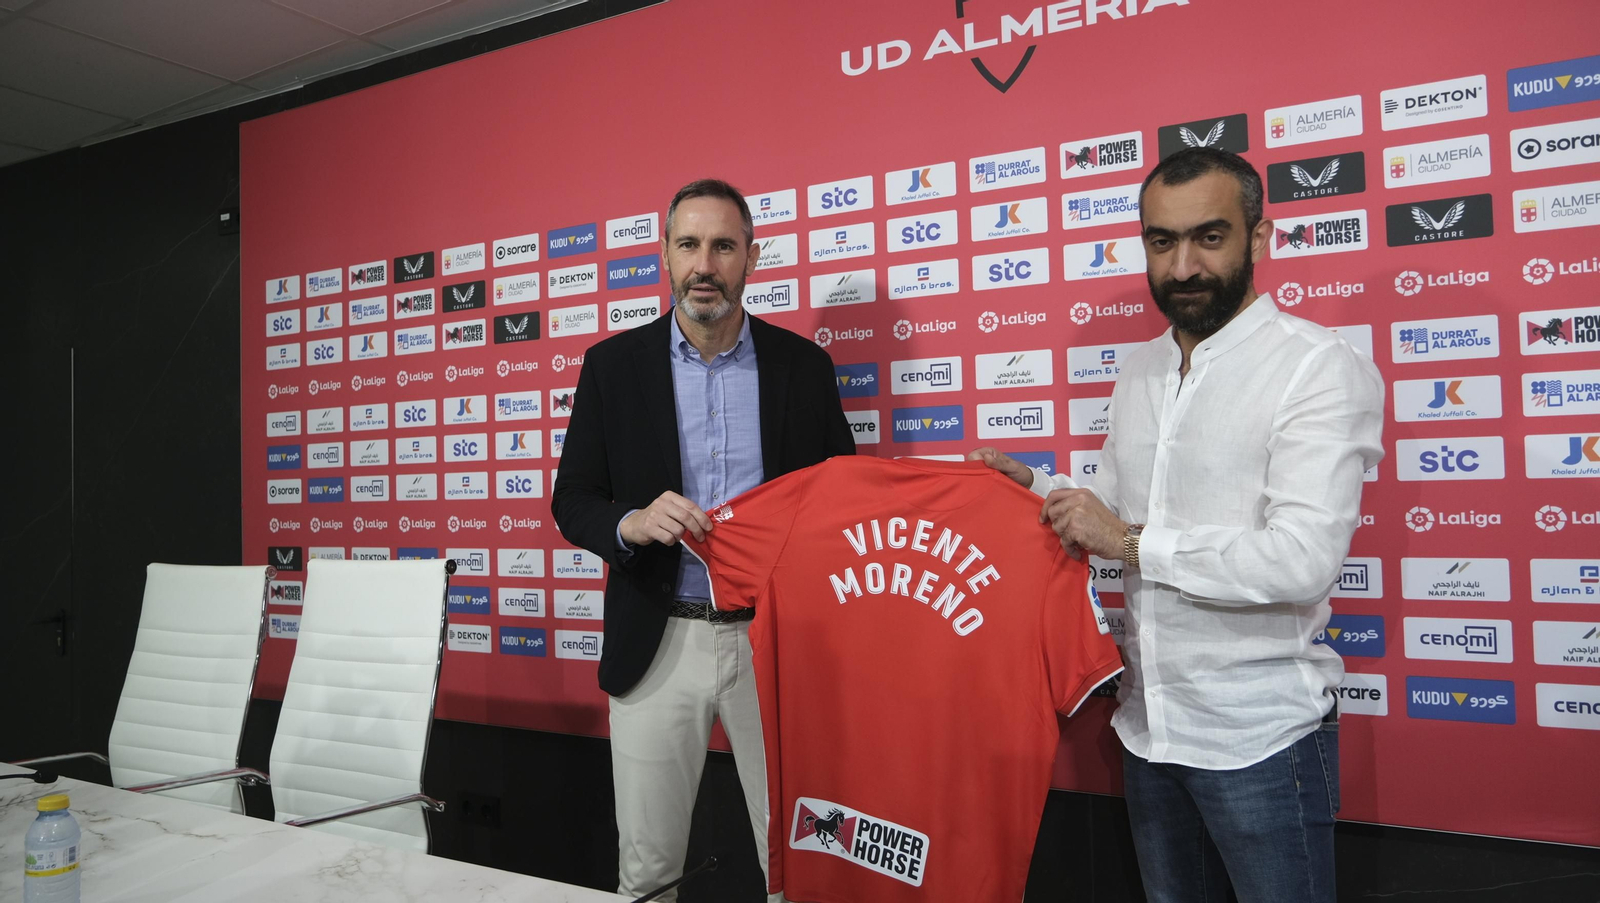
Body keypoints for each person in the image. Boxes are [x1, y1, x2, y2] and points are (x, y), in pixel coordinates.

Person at [971, 147, 1383, 903]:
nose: (1184, 264)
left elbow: (1301, 559)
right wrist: (1034, 489)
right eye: (1163, 241)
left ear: (1259, 239)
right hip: (1148, 732)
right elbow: (1112, 503)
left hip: (1261, 740)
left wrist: (1127, 543)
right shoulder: (1141, 369)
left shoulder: (1317, 367)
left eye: (1209, 237)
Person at [551, 178, 854, 901]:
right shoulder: (613, 366)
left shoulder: (803, 367)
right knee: (649, 874)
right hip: (657, 640)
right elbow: (574, 499)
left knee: (797, 865)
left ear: (752, 257)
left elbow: (844, 499)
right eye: (689, 244)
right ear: (665, 254)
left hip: (775, 644)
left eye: (723, 245)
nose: (705, 264)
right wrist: (630, 523)